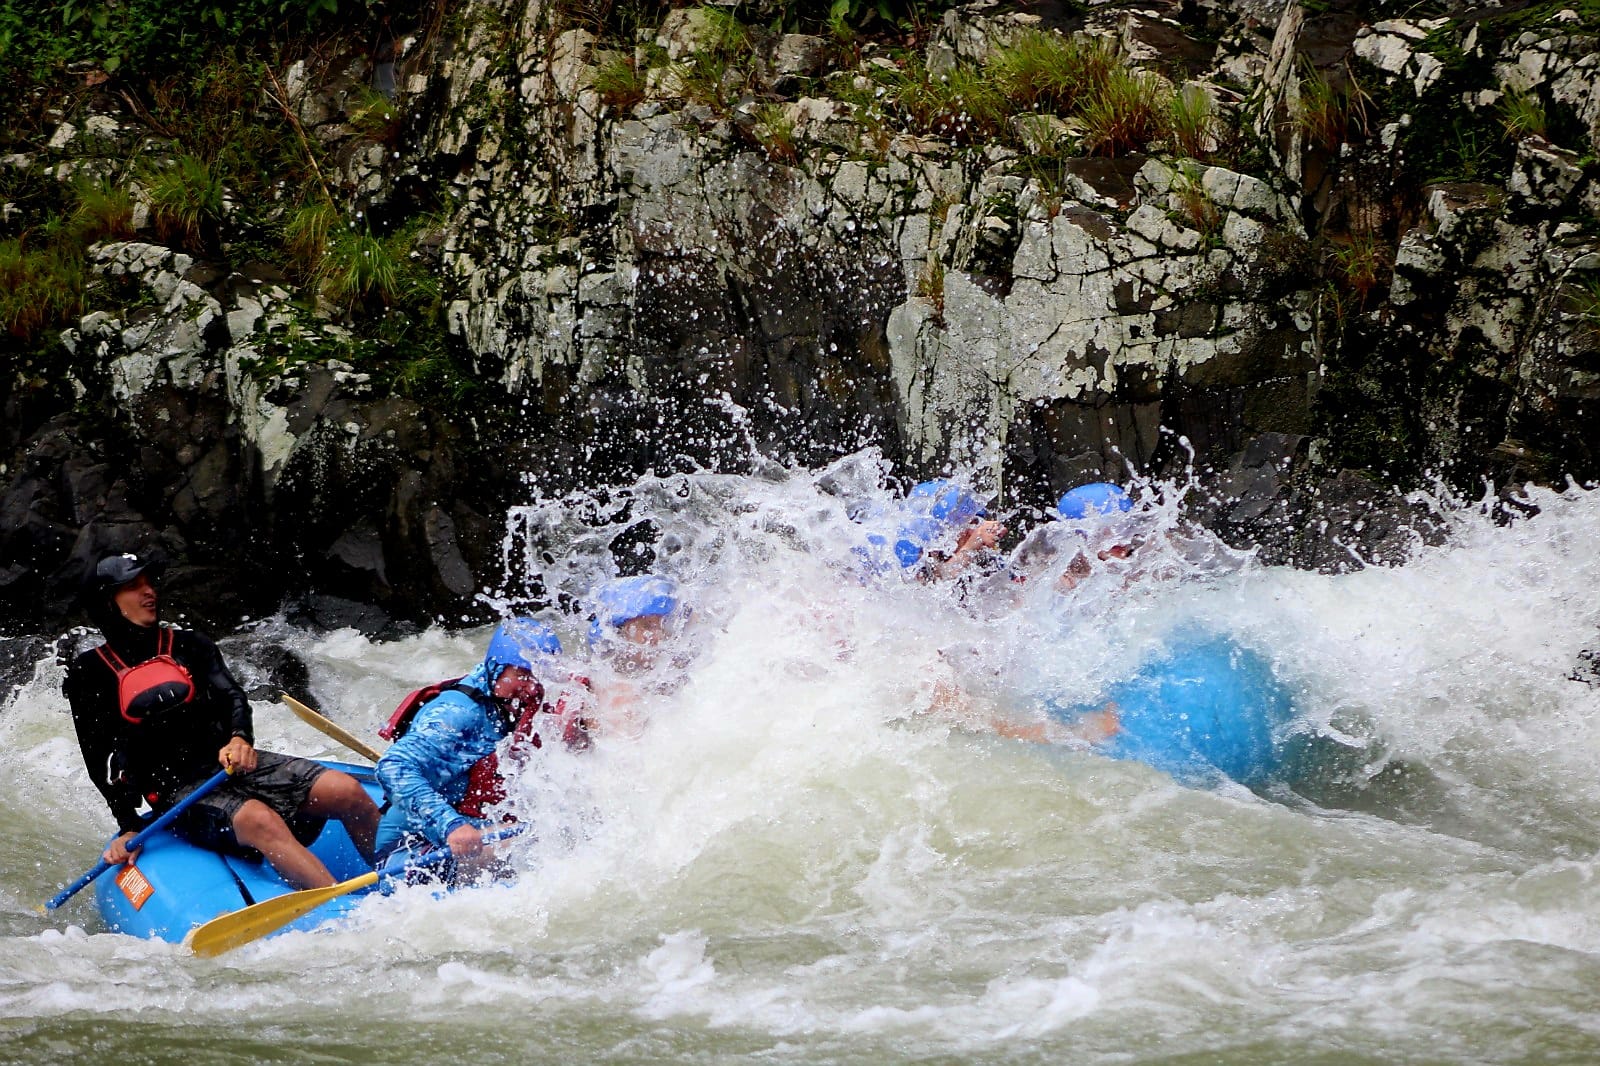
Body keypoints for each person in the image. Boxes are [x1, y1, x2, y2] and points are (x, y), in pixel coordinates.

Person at [64, 553, 380, 890]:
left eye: (149, 583)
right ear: (108, 602)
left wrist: (239, 738)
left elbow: (232, 697)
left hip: (230, 767)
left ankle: (403, 881)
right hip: (176, 792)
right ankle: (339, 904)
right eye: (133, 586)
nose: (149, 592)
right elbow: (99, 761)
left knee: (346, 790)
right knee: (260, 819)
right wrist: (128, 824)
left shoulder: (190, 645)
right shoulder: (90, 673)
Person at [373, 617, 585, 874]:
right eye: (522, 674)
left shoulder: (510, 702)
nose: (532, 687)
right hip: (412, 852)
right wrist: (451, 826)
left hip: (479, 830)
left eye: (540, 675)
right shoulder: (456, 714)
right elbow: (393, 767)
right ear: (496, 667)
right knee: (542, 846)